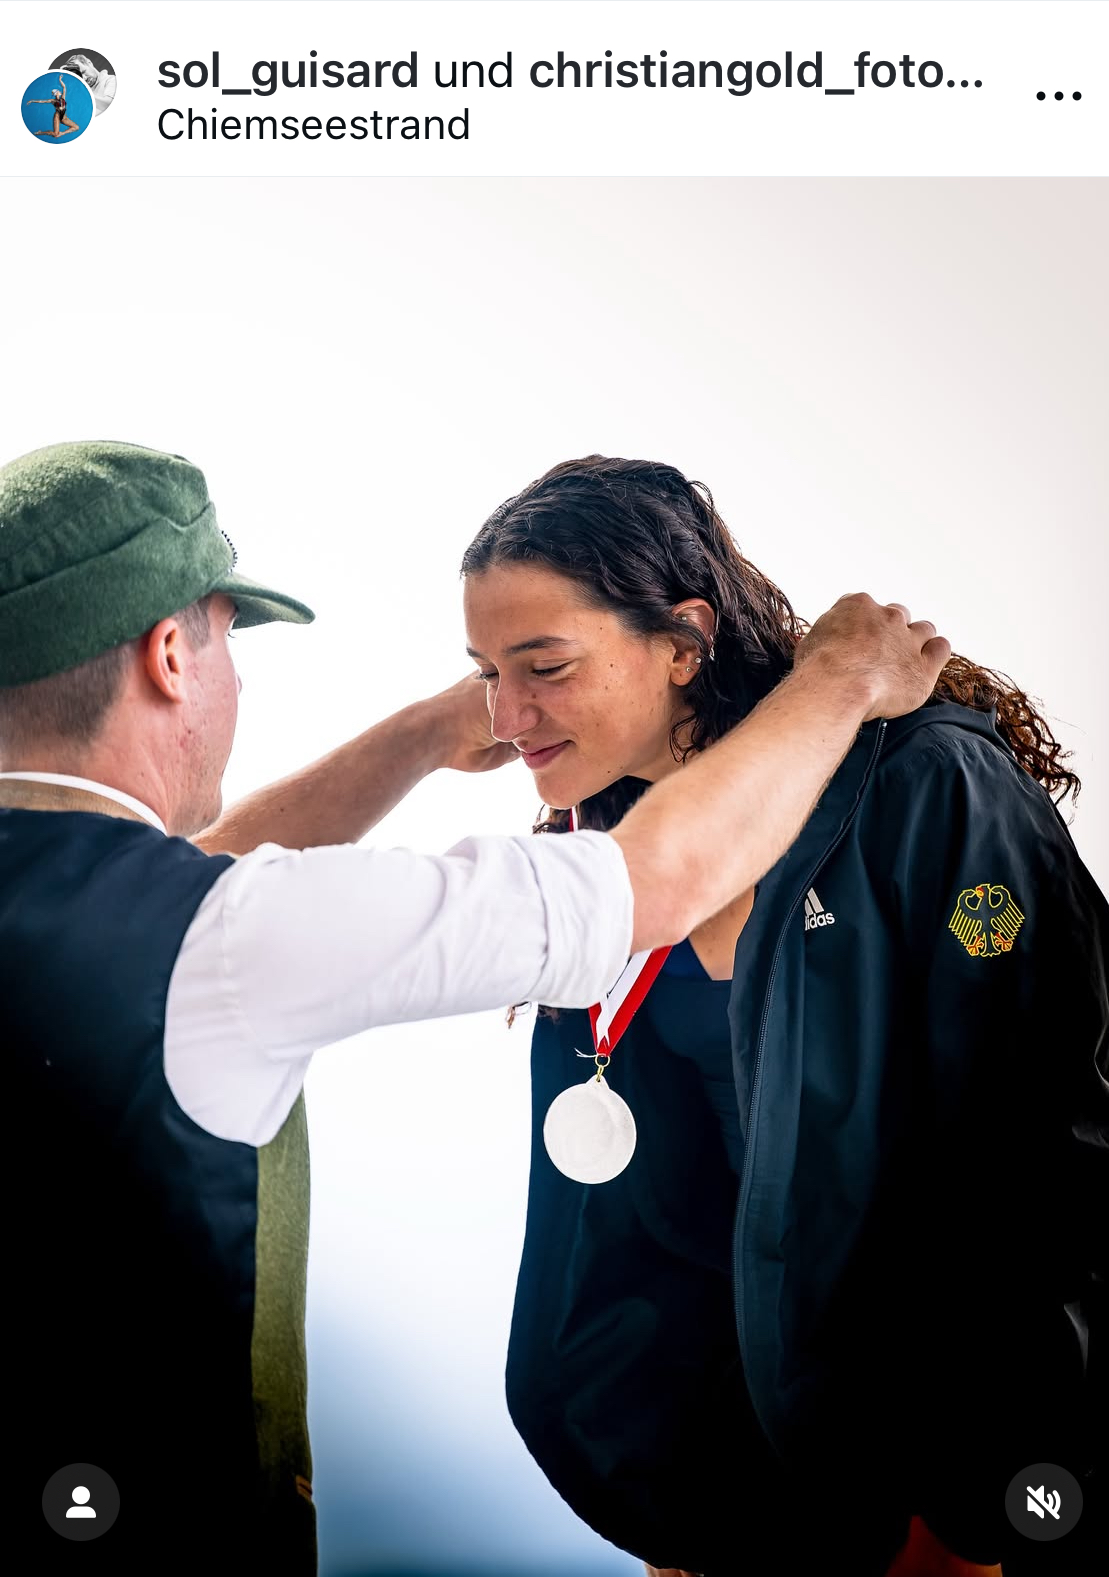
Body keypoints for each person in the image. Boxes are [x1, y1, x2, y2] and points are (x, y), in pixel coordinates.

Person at [0, 440, 947, 1573]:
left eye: (536, 667)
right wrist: (840, 677)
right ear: (169, 655)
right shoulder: (215, 938)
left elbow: (183, 881)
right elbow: (649, 882)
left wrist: (432, 730)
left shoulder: (104, 911)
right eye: (226, 635)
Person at [460, 455, 1108, 1577]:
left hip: (926, 1452)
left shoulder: (924, 785)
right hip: (719, 1460)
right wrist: (663, 1471)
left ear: (683, 642)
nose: (503, 717)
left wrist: (976, 1475)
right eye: (484, 674)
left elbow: (1046, 1147)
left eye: (544, 667)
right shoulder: (604, 854)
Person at [26, 73, 80, 138]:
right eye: (58, 91)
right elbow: (42, 101)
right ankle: (41, 132)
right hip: (57, 116)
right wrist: (32, 100)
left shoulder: (63, 98)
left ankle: (62, 133)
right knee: (55, 134)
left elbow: (64, 87)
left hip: (64, 117)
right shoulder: (53, 101)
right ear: (56, 93)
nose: (60, 92)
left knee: (76, 127)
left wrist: (60, 80)